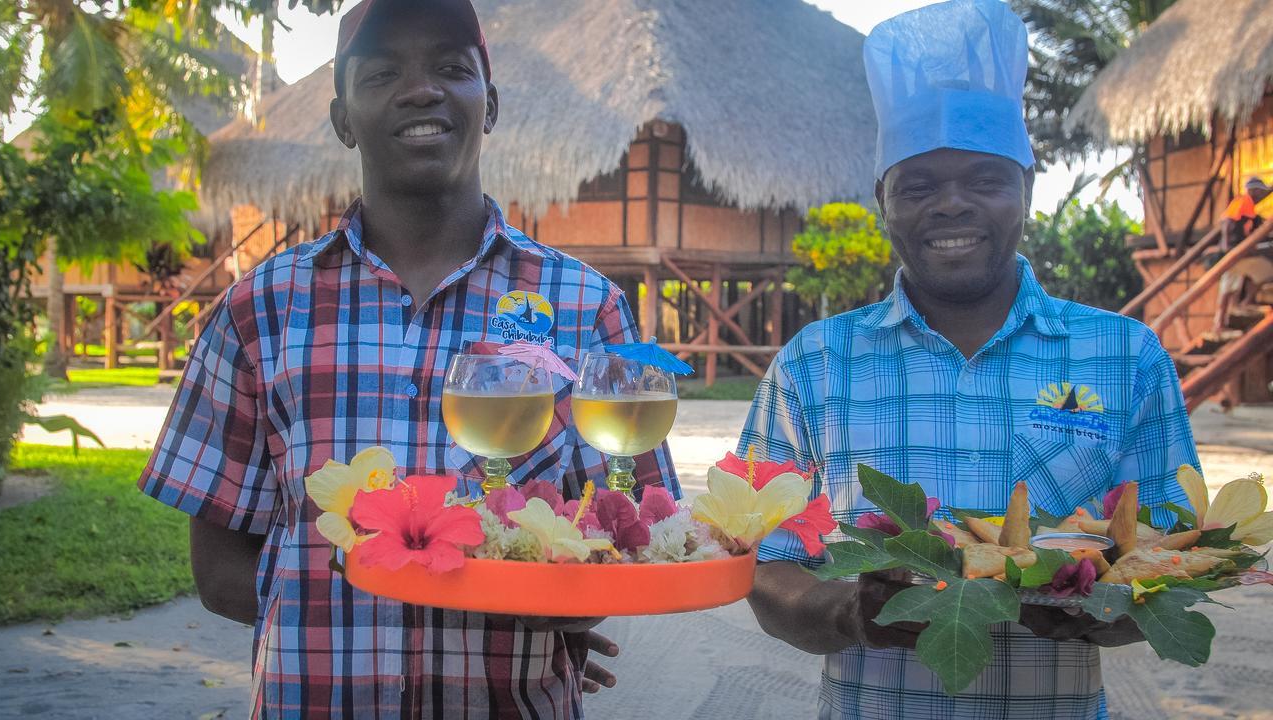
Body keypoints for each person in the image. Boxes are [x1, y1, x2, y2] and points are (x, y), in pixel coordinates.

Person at [137, 0, 678, 716]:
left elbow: (635, 534)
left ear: (490, 104)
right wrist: (338, 601)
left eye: (453, 69)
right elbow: (219, 570)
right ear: (340, 118)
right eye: (383, 72)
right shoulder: (258, 309)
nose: (421, 90)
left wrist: (565, 606)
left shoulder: (586, 306)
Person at [740, 1, 1199, 718]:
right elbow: (764, 564)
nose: (950, 205)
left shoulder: (1127, 357)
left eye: (984, 179)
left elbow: (1175, 553)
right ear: (882, 201)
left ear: (1027, 189)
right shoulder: (814, 365)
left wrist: (1104, 606)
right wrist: (852, 613)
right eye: (919, 185)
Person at [1211, 176, 1273, 335]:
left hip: (1230, 252)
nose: (1261, 196)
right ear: (1252, 190)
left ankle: (1220, 322)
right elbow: (1255, 227)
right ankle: (1245, 303)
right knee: (1266, 271)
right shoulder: (1246, 202)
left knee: (1228, 288)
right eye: (1259, 192)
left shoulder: (1237, 202)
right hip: (1237, 252)